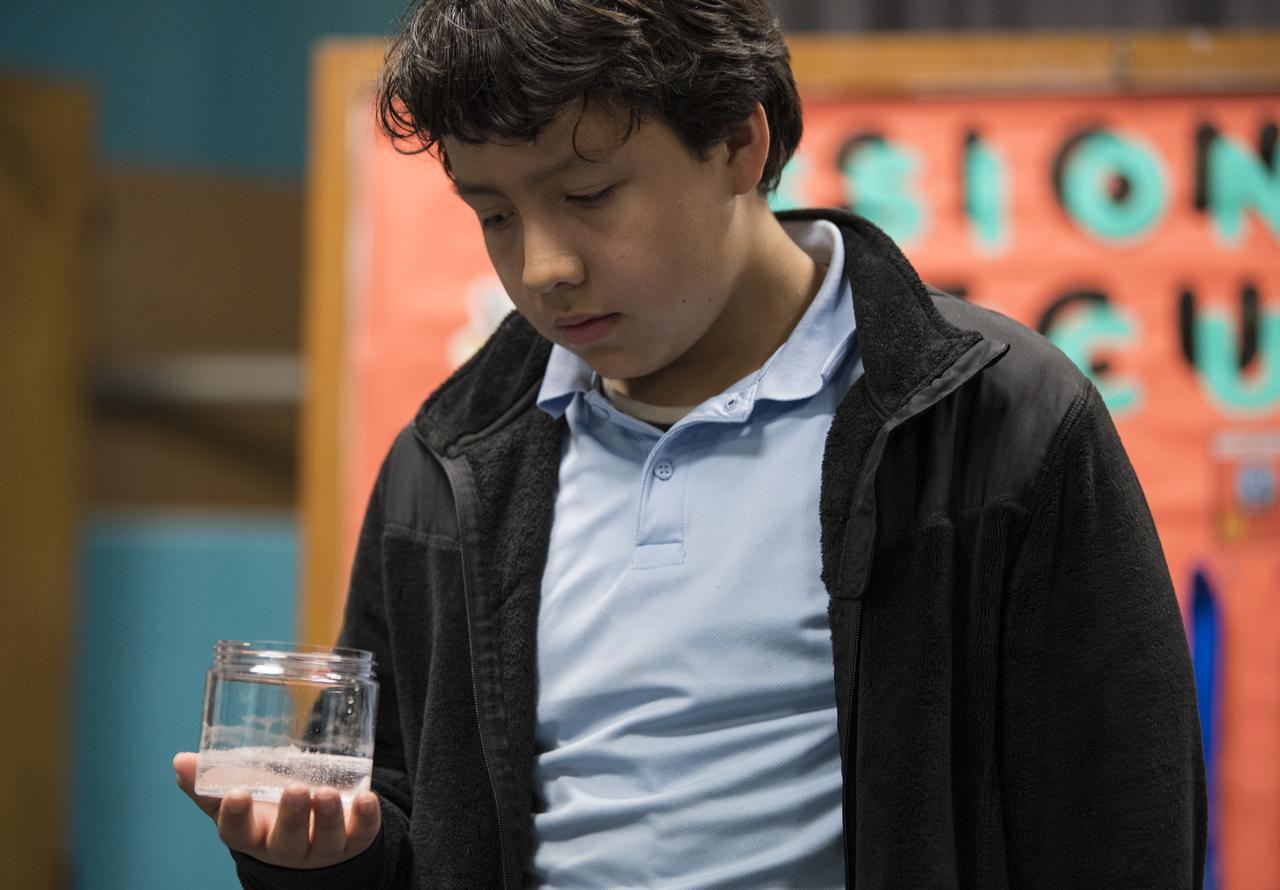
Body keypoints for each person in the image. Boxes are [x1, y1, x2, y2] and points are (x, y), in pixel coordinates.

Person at [175, 1, 1207, 886]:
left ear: (738, 145)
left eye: (587, 198)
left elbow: (1119, 832)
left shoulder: (996, 422)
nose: (542, 267)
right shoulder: (446, 464)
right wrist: (319, 859)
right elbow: (406, 827)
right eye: (492, 214)